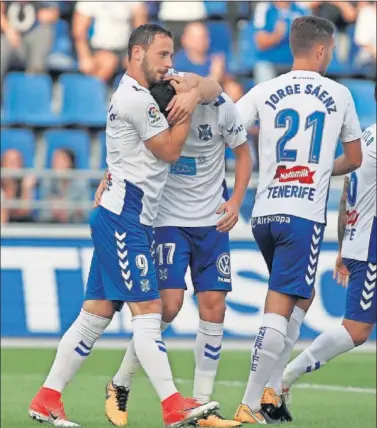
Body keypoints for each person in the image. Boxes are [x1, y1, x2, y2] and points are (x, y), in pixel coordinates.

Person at [28, 24, 222, 428]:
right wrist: (184, 110)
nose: (170, 63)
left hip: (125, 213)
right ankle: (173, 406)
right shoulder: (136, 99)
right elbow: (169, 150)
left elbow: (211, 84)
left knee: (95, 316)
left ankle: (47, 398)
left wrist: (191, 90)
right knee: (149, 312)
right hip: (125, 217)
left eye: (171, 56)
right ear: (137, 53)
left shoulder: (138, 90)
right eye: (163, 55)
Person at [233, 16, 363, 424]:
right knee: (280, 307)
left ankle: (271, 390)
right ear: (322, 50)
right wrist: (322, 167)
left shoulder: (264, 89)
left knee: (299, 299)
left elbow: (229, 128)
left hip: (264, 211)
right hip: (303, 214)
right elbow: (356, 158)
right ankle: (252, 402)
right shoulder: (339, 94)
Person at [103, 81, 252, 428]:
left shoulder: (219, 105)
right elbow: (126, 151)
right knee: (167, 307)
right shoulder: (152, 106)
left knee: (214, 306)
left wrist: (237, 201)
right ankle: (120, 383)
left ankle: (202, 407)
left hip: (212, 220)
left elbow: (244, 153)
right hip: (167, 219)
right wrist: (108, 178)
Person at [281, 85, 376, 404]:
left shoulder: (366, 138)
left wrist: (340, 247)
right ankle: (285, 376)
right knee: (356, 329)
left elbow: (349, 192)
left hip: (359, 239)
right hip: (371, 245)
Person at [0, 1, 59, 83]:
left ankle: (34, 81)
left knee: (45, 31)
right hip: (8, 41)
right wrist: (8, 30)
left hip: (32, 42)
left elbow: (54, 12)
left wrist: (48, 15)